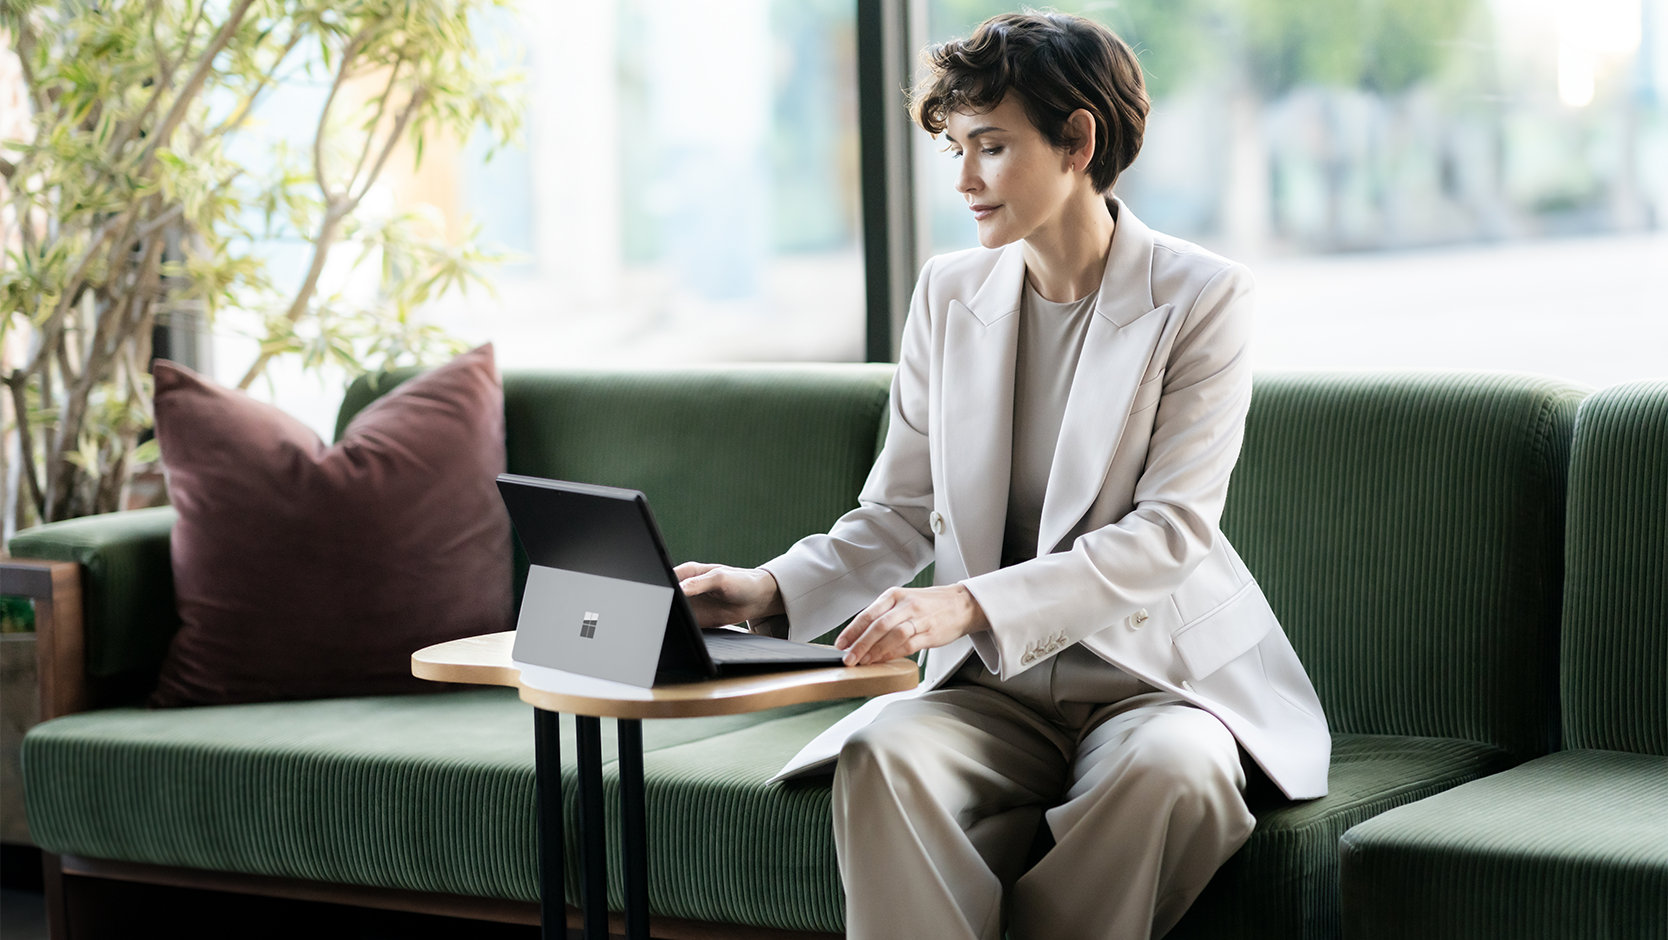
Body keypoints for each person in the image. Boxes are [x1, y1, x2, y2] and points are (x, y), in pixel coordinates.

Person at [674, 11, 1330, 939]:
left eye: (990, 145)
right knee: (882, 755)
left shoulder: (1202, 296)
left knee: (1174, 776)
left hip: (1156, 683)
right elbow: (899, 513)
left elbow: (1170, 532)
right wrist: (764, 588)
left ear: (1078, 141)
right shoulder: (949, 294)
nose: (964, 179)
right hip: (990, 693)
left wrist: (967, 605)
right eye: (954, 148)